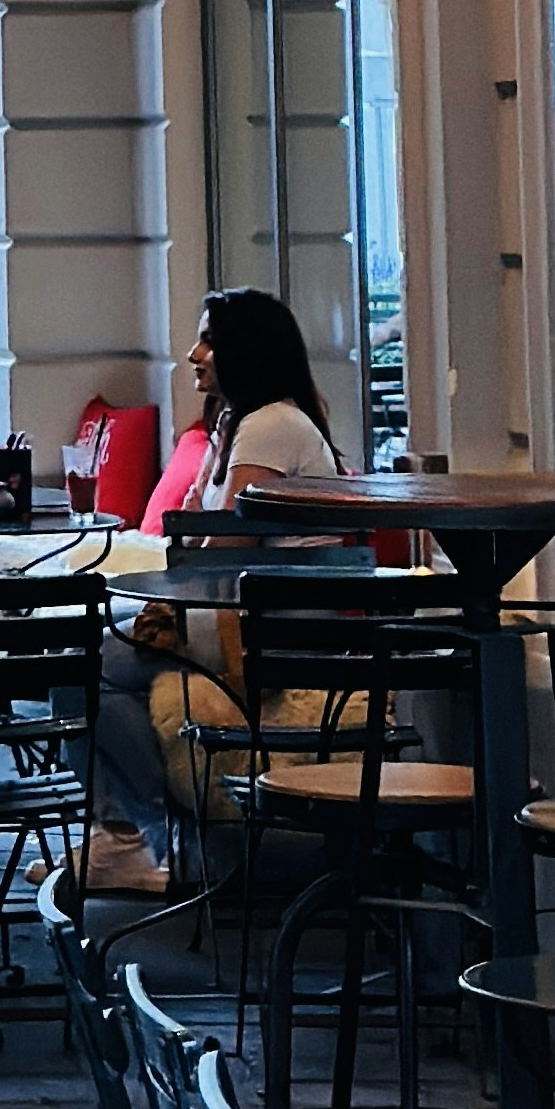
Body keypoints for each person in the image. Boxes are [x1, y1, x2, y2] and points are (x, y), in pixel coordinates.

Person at [136, 285, 361, 841]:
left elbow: (224, 547)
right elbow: (192, 529)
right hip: (249, 619)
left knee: (89, 666)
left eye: (210, 341)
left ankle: (156, 834)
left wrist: (164, 593)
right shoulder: (238, 423)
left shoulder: (270, 425)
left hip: (277, 634)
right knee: (96, 660)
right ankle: (163, 834)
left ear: (247, 352)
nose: (193, 354)